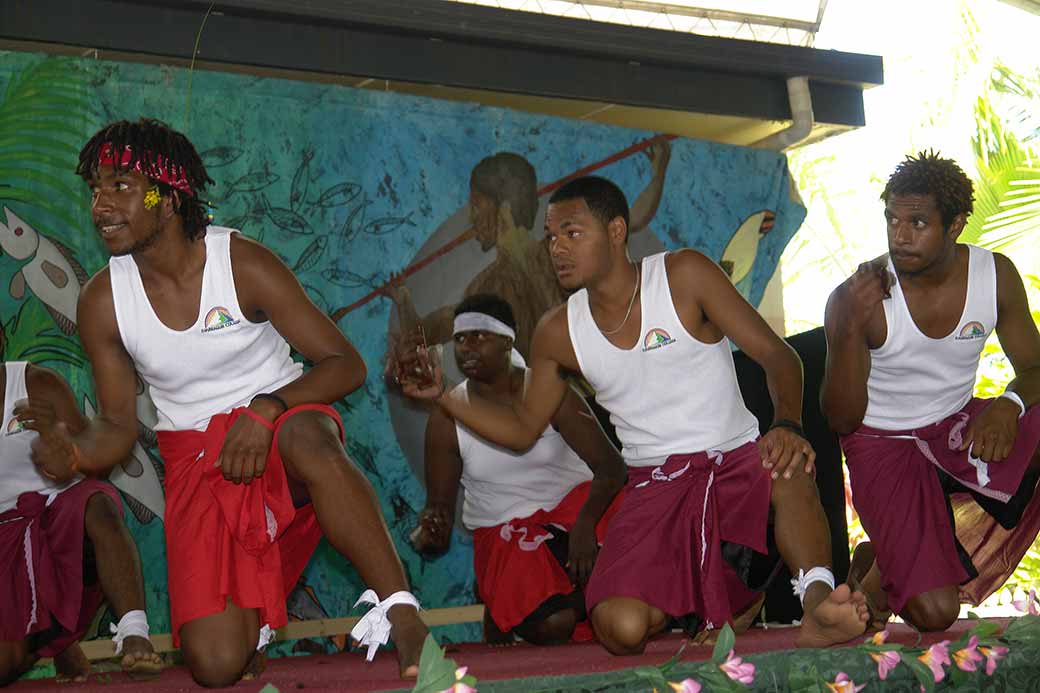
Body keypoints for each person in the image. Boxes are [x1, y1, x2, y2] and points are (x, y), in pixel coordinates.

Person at [25, 118, 427, 687]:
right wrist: (76, 452)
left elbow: (345, 364)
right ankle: (252, 620)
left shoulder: (240, 264)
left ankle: (403, 613)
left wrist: (265, 408)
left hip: (282, 425)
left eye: (120, 186)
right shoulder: (102, 299)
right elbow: (116, 426)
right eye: (96, 189)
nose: (100, 205)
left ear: (167, 197)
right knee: (215, 667)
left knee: (308, 438)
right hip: (195, 457)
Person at [400, 176, 868, 654]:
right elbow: (522, 430)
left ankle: (817, 606)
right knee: (619, 629)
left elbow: (778, 356)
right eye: (551, 236)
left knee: (788, 467)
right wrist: (442, 395)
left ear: (617, 231)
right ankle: (722, 600)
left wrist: (786, 423)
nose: (557, 247)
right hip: (654, 489)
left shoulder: (684, 275)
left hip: (736, 462)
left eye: (572, 233)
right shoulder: (558, 331)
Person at [822, 151, 1040, 632]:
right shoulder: (859, 297)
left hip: (955, 430)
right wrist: (846, 332)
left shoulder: (994, 276)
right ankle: (884, 565)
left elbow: (1035, 366)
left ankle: (894, 554)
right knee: (935, 614)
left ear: (956, 224)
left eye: (917, 222)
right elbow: (841, 420)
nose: (900, 235)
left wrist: (1010, 403)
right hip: (883, 443)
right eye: (892, 220)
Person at [408, 293, 626, 645]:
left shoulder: (553, 392)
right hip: (506, 529)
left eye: (479, 335)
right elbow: (440, 509)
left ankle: (518, 603)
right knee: (554, 625)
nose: (466, 347)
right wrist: (430, 529)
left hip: (581, 512)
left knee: (631, 594)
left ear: (507, 340)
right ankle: (527, 597)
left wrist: (585, 526)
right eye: (460, 339)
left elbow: (612, 468)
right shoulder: (447, 419)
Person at [390, 145, 671, 358]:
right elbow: (425, 335)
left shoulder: (550, 261)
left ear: (504, 210)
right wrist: (403, 301)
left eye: (476, 205)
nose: (472, 219)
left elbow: (629, 221)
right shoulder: (492, 284)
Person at [1, 358, 161, 685]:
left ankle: (134, 631)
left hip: (59, 520)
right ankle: (56, 641)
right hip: (6, 545)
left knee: (96, 501)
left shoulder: (37, 385)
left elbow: (95, 465)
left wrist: (63, 448)